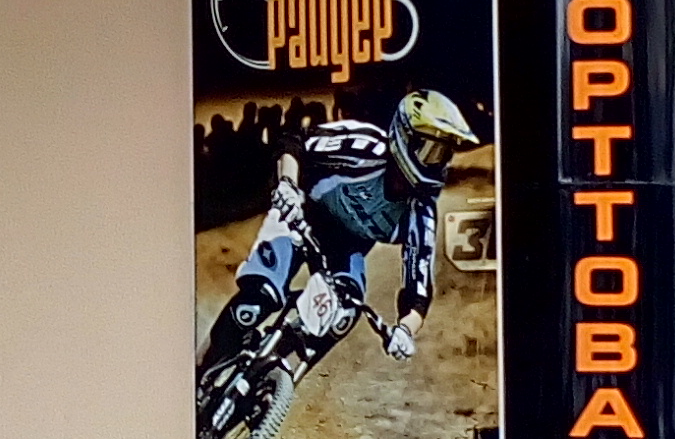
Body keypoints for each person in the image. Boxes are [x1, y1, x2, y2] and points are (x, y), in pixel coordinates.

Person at [203, 88, 480, 369]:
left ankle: (272, 374)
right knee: (257, 300)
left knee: (345, 311)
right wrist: (288, 184)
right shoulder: (363, 147)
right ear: (404, 136)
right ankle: (204, 366)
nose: (436, 163)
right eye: (430, 150)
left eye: (443, 154)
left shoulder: (421, 213)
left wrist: (405, 330)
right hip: (301, 214)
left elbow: (418, 290)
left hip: (345, 246)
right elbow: (294, 140)